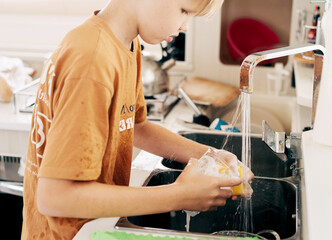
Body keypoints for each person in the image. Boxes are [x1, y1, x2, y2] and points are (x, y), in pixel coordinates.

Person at [21, 0, 253, 239]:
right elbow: (56, 197)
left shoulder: (125, 43)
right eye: (184, 11)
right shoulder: (93, 58)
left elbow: (137, 127)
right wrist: (178, 195)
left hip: (93, 227)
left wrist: (210, 155)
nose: (185, 26)